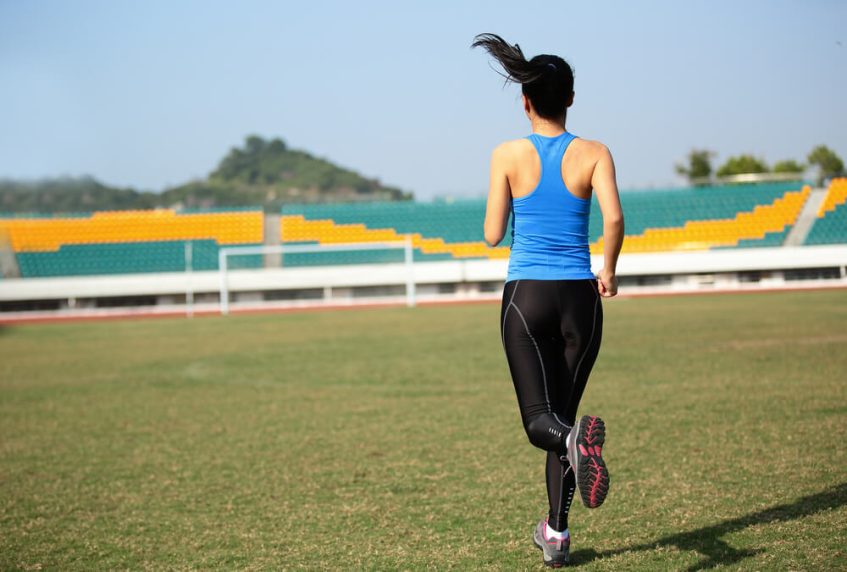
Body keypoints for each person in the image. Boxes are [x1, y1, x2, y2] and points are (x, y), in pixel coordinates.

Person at [473, 33, 625, 568]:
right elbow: (612, 219)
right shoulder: (596, 153)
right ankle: (556, 536)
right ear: (572, 98)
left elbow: (493, 234)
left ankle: (575, 442)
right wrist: (607, 269)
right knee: (565, 419)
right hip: (581, 300)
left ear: (525, 100)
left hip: (527, 297)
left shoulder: (507, 153)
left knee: (545, 423)